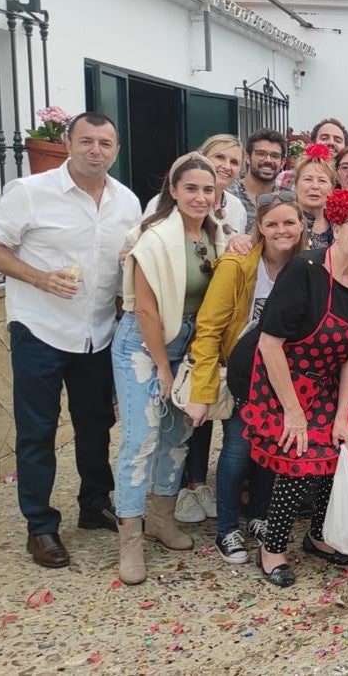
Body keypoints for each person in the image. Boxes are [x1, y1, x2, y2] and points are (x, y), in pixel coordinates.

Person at [0, 112, 140, 569]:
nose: (95, 151)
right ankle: (41, 527)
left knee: (95, 424)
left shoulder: (127, 201)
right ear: (68, 142)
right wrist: (39, 278)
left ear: (116, 149)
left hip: (98, 333)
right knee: (38, 432)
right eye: (86, 141)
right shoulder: (30, 192)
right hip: (39, 329)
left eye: (105, 143)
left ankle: (93, 503)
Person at [240, 193, 348, 588]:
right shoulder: (304, 269)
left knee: (339, 453)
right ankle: (271, 547)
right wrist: (293, 412)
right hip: (281, 379)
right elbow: (270, 343)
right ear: (337, 226)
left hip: (326, 384)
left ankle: (317, 535)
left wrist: (341, 415)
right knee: (300, 462)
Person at [111, 153, 228, 584]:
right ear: (174, 191)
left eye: (208, 189)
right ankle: (130, 540)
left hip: (189, 347)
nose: (200, 197)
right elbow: (142, 308)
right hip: (145, 346)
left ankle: (161, 519)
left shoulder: (217, 235)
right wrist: (162, 365)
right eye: (191, 188)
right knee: (141, 439)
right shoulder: (153, 238)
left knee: (178, 436)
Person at [185, 194, 307, 564]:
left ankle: (258, 516)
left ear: (302, 225)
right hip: (244, 373)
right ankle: (226, 529)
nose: (281, 230)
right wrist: (202, 391)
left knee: (272, 451)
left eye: (289, 223)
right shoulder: (237, 265)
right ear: (260, 228)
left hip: (285, 375)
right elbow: (208, 329)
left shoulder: (309, 267)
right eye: (272, 224)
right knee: (238, 450)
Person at [232, 128, 286, 232]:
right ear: (248, 157)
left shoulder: (285, 199)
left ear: (283, 162)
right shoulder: (230, 193)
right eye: (261, 154)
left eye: (275, 156)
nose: (268, 160)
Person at [275, 118, 348, 191]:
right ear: (313, 143)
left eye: (338, 140)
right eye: (324, 138)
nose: (331, 142)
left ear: (345, 147)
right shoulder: (286, 179)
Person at [291, 147, 337, 249]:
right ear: (296, 184)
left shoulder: (338, 225)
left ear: (332, 188)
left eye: (322, 181)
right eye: (308, 179)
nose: (315, 186)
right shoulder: (285, 221)